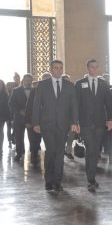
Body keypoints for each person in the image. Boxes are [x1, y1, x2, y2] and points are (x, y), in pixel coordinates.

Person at [32, 60, 78, 191]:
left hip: (63, 125)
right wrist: (35, 122)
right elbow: (36, 105)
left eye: (61, 68)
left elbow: (73, 105)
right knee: (51, 151)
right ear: (51, 69)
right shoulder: (42, 85)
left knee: (59, 153)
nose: (59, 70)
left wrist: (75, 122)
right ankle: (48, 180)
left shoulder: (69, 86)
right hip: (47, 124)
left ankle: (57, 181)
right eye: (56, 68)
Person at [75, 60, 112, 192]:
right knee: (90, 149)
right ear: (87, 68)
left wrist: (110, 119)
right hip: (85, 123)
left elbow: (108, 103)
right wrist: (76, 122)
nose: (95, 69)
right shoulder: (80, 84)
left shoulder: (103, 84)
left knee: (95, 151)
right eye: (92, 67)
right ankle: (91, 178)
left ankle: (91, 176)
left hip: (99, 123)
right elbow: (76, 104)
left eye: (97, 67)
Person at [25, 73, 52, 165]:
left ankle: (51, 159)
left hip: (50, 122)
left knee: (50, 141)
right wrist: (28, 121)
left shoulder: (56, 91)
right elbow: (29, 107)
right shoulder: (35, 91)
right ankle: (34, 155)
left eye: (49, 79)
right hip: (36, 121)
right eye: (45, 80)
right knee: (35, 140)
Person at [8, 74, 34, 162]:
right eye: (27, 80)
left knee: (32, 137)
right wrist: (19, 111)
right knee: (19, 137)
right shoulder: (16, 91)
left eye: (30, 80)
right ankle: (19, 153)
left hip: (32, 119)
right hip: (19, 118)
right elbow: (11, 104)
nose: (28, 82)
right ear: (23, 80)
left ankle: (34, 154)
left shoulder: (36, 90)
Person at [62, 74, 76, 159]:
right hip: (62, 118)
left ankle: (69, 151)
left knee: (71, 136)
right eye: (65, 80)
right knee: (62, 136)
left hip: (71, 118)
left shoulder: (73, 90)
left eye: (68, 80)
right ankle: (61, 150)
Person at [0, 80, 10, 156]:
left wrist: (7, 117)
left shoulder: (5, 94)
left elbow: (7, 107)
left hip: (1, 116)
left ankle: (0, 148)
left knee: (0, 132)